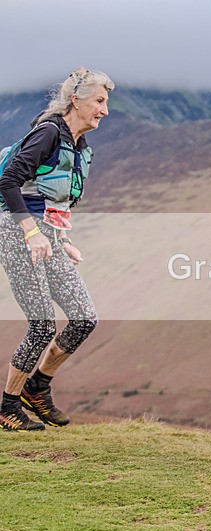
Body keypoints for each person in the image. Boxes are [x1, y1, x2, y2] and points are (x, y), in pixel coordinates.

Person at [0, 67, 114, 431]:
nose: (104, 110)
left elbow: (56, 198)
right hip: (17, 232)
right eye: (99, 101)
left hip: (47, 236)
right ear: (76, 100)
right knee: (42, 324)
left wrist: (62, 240)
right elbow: (9, 181)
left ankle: (38, 387)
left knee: (83, 318)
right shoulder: (48, 133)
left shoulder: (80, 147)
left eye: (105, 102)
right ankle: (7, 406)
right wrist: (32, 233)